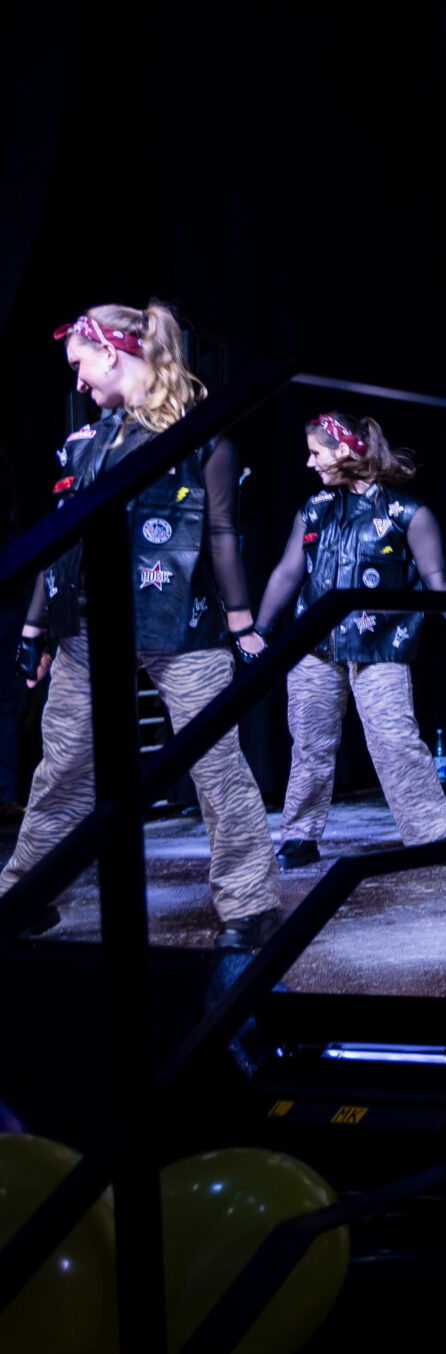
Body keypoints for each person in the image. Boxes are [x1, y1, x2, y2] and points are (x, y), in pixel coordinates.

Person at [3, 304, 283, 948]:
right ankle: (24, 896)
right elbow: (59, 543)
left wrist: (242, 623)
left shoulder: (204, 437)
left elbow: (222, 534)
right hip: (87, 628)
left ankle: (251, 903)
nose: (77, 380)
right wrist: (33, 629)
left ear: (111, 354)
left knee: (216, 764)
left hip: (184, 626)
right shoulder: (83, 443)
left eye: (80, 364)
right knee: (63, 768)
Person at [253, 413, 446, 865]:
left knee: (394, 740)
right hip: (314, 645)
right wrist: (259, 632)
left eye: (316, 452)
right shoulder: (315, 508)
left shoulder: (408, 513)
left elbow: (436, 579)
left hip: (380, 646)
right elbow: (288, 572)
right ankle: (299, 837)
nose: (309, 462)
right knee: (310, 743)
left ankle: (431, 836)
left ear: (342, 451)